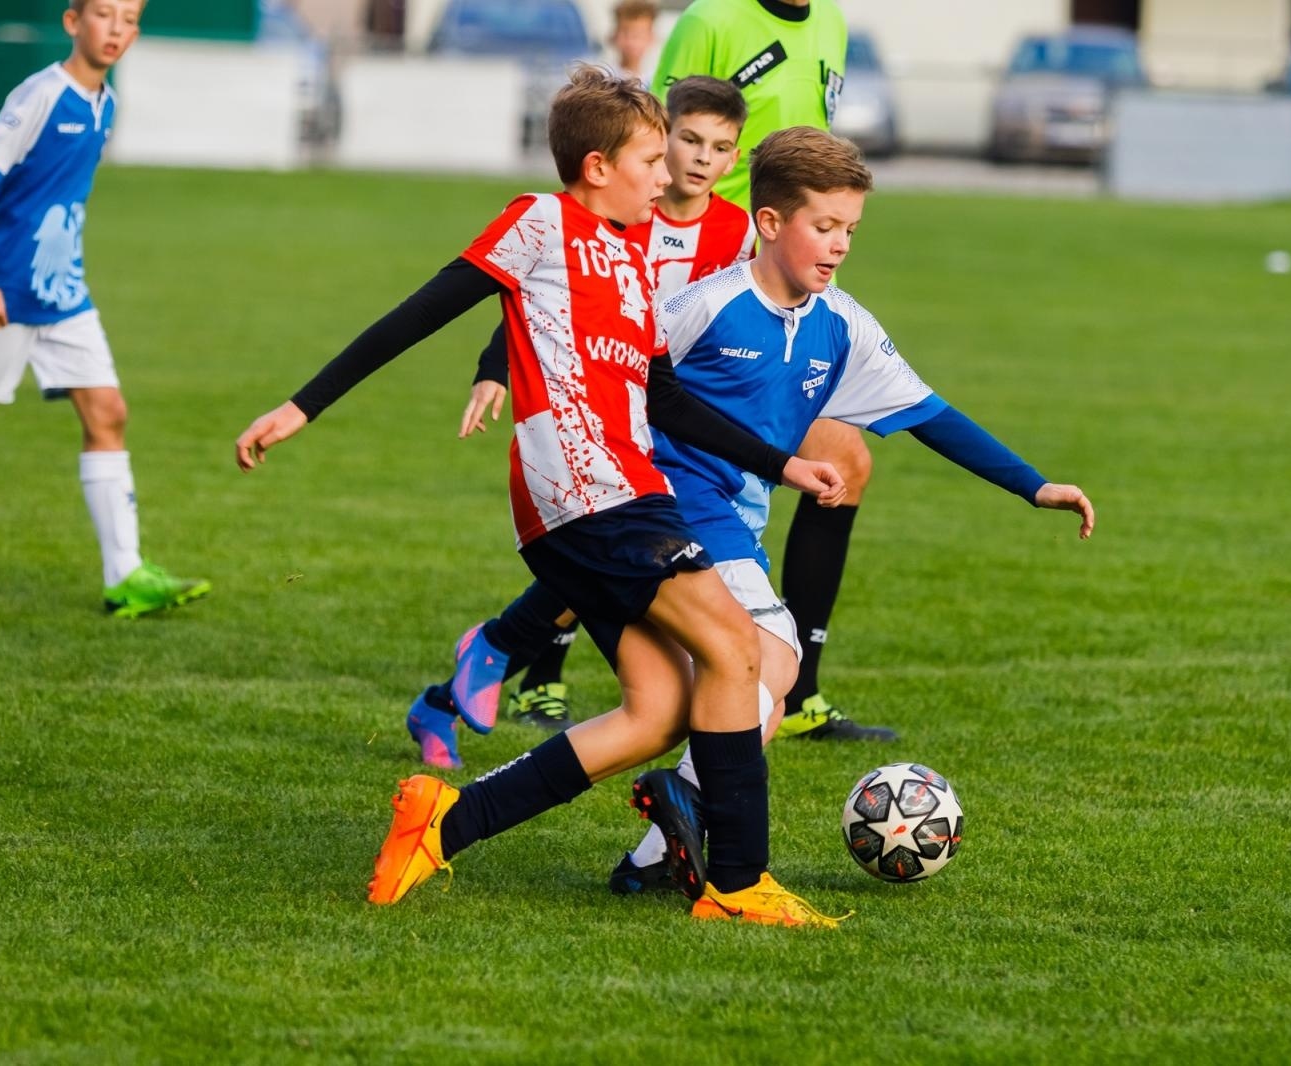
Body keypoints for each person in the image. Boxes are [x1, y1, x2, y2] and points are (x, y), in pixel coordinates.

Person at [234, 67, 850, 928]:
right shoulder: (539, 222)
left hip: (622, 497)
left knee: (656, 712)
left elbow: (664, 399)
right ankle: (739, 884)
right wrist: (303, 405)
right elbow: (418, 314)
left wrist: (781, 466)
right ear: (596, 166)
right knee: (736, 652)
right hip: (589, 494)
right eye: (648, 159)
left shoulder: (636, 259)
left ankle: (442, 825)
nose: (664, 175)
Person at [608, 125, 1095, 893]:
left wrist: (1032, 485)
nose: (838, 246)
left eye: (850, 231)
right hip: (672, 504)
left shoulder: (842, 326)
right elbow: (617, 364)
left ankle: (652, 857)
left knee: (719, 693)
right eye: (824, 227)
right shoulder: (706, 306)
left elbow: (930, 414)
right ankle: (690, 815)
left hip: (734, 521)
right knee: (772, 652)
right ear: (769, 224)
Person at [403, 74, 756, 756]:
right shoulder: (618, 219)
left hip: (669, 416)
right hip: (601, 420)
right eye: (683, 142)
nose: (697, 159)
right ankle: (525, 670)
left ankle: (486, 670)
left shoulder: (734, 233)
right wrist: (494, 367)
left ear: (734, 157)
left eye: (720, 147)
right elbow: (545, 300)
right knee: (613, 560)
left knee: (609, 567)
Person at [652, 0, 889, 741]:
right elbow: (653, 143)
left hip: (784, 283)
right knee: (644, 468)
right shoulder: (712, 20)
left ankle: (798, 687)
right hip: (714, 284)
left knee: (843, 459)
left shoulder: (832, 27)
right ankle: (526, 655)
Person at [0, 0, 209, 618]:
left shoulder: (105, 105)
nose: (117, 30)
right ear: (72, 22)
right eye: (104, 15)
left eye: (130, 19)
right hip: (7, 295)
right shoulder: (40, 93)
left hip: (65, 297)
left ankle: (127, 577)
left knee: (108, 412)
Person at [608, 0, 659, 83]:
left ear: (651, 37)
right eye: (625, 33)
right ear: (614, 35)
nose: (631, 41)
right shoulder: (603, 79)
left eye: (639, 34)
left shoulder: (654, 81)